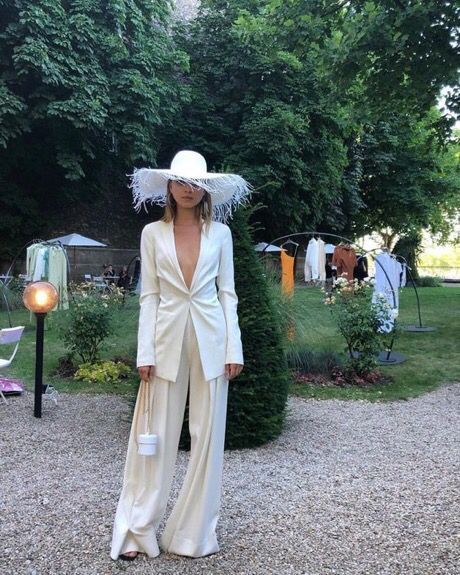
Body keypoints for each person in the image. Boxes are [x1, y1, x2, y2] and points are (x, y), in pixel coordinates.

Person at [110, 150, 252, 561]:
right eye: (180, 182)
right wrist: (145, 352)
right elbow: (149, 296)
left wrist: (233, 346)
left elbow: (228, 294)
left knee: (208, 438)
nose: (188, 190)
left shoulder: (221, 234)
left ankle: (192, 535)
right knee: (154, 435)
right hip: (165, 339)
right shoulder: (151, 233)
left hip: (212, 339)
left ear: (204, 189)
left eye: (195, 183)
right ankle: (138, 530)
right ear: (169, 188)